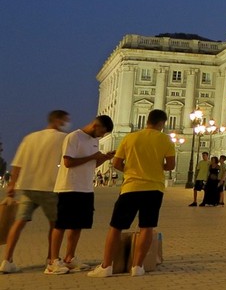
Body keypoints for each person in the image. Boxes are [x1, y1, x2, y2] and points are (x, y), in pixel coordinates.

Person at [89, 109, 175, 278]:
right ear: (162, 123)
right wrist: (156, 168)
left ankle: (106, 266)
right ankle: (137, 266)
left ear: (147, 121)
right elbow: (170, 165)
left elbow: (116, 163)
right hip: (154, 189)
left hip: (131, 188)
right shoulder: (165, 140)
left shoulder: (130, 138)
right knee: (146, 227)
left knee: (116, 227)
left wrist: (130, 171)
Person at [2, 110, 70, 273]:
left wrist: (12, 185)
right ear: (58, 120)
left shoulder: (30, 138)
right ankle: (52, 260)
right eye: (65, 120)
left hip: (28, 187)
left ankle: (7, 260)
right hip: (50, 187)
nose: (67, 123)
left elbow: (17, 164)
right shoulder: (63, 138)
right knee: (55, 225)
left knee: (19, 222)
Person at [46, 115, 115, 274]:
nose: (102, 136)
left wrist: (104, 158)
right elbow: (68, 162)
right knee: (61, 225)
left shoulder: (94, 141)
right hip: (68, 187)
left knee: (78, 225)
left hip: (86, 188)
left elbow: (93, 164)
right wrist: (93, 156)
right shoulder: (74, 137)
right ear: (96, 125)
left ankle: (70, 258)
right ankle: (53, 261)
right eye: (102, 132)